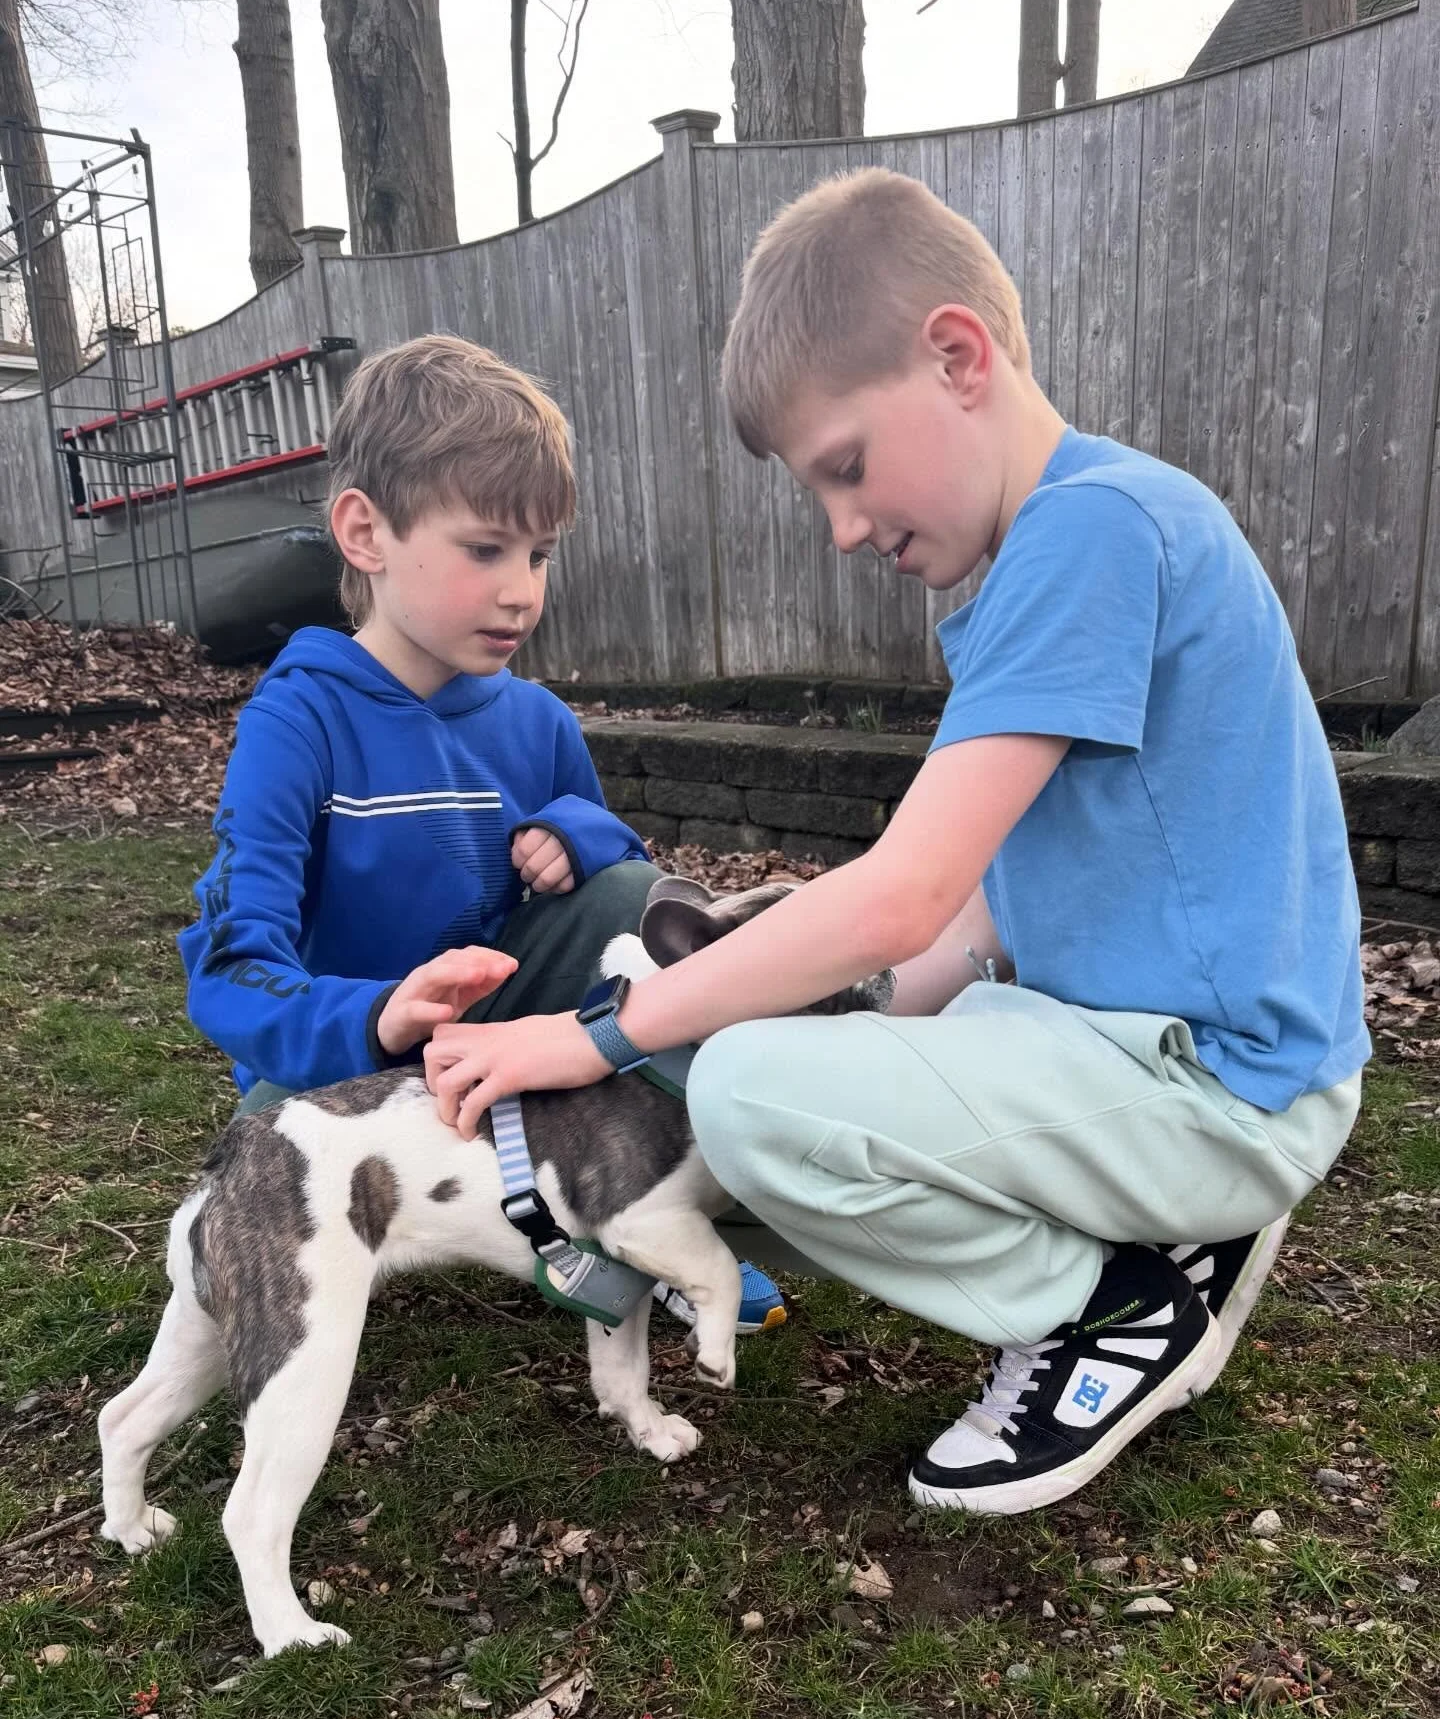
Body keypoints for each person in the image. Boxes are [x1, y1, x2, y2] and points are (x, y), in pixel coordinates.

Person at [418, 172, 1368, 1516]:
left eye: (847, 466)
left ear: (958, 357)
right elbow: (976, 913)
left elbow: (902, 898)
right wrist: (845, 1033)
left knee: (749, 1100)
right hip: (1177, 1057)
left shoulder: (1088, 534)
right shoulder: (1091, 530)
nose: (844, 528)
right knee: (776, 1077)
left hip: (1220, 1093)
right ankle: (1175, 1230)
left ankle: (1115, 1307)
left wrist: (600, 1036)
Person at [175, 332, 788, 1335]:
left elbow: (621, 907)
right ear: (365, 534)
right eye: (486, 549)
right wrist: (377, 1015)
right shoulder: (299, 721)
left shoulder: (536, 722)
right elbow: (232, 969)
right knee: (250, 1216)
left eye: (539, 555)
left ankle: (645, 1213)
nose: (522, 590)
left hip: (504, 1045)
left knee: (644, 908)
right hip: (345, 1065)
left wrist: (579, 835)